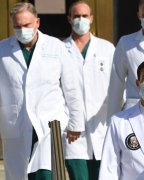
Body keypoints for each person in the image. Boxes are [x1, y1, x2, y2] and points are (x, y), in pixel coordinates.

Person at [0, 2, 84, 180]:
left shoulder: (56, 47)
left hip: (49, 124)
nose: (22, 30)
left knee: (48, 174)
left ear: (37, 22)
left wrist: (75, 123)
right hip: (16, 123)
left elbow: (72, 88)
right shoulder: (2, 50)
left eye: (27, 25)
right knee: (18, 175)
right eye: (17, 26)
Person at [63, 1, 115, 180]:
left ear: (91, 18)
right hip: (72, 130)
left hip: (102, 125)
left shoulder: (107, 49)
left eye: (84, 16)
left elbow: (117, 86)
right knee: (79, 176)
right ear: (69, 19)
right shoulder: (61, 49)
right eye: (76, 16)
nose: (80, 20)